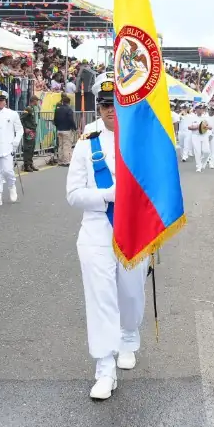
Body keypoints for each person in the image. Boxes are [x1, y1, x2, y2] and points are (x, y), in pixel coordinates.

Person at [66, 74, 150, 400]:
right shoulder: (87, 143)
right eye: (104, 105)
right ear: (98, 108)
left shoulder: (142, 140)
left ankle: (128, 335)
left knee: (130, 294)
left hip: (134, 229)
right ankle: (104, 368)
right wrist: (107, 196)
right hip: (96, 229)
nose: (110, 110)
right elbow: (73, 194)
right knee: (100, 298)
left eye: (117, 104)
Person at [53, 94, 78, 166]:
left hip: (59, 130)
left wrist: (58, 126)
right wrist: (74, 128)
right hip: (67, 130)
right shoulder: (69, 109)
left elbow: (55, 120)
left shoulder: (57, 109)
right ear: (68, 102)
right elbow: (71, 120)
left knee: (60, 146)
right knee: (66, 146)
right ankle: (66, 161)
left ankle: (60, 161)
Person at [20, 96, 40, 172]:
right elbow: (21, 119)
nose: (37, 102)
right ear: (34, 101)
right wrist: (25, 128)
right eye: (37, 100)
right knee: (28, 148)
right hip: (29, 131)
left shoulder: (32, 108)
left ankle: (30, 163)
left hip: (32, 131)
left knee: (32, 148)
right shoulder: (28, 109)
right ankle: (26, 165)